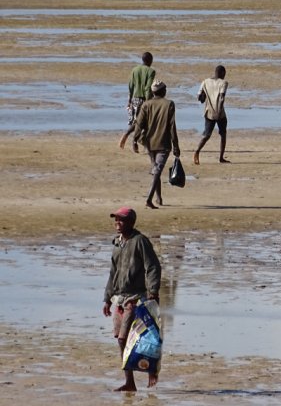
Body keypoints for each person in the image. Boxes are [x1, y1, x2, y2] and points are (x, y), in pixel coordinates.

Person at [102, 206, 162, 391]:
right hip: (118, 299)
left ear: (131, 222)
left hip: (135, 299)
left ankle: (150, 370)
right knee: (124, 339)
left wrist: (153, 291)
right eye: (116, 220)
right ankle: (130, 382)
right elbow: (113, 273)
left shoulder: (140, 241)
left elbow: (153, 267)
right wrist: (107, 298)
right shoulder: (117, 243)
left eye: (121, 220)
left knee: (132, 339)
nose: (117, 223)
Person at [133, 80, 180, 209]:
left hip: (149, 143)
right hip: (163, 143)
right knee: (157, 171)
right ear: (163, 91)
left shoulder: (146, 105)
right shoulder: (169, 104)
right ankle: (149, 199)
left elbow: (139, 124)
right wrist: (176, 145)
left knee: (156, 170)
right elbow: (172, 127)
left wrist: (134, 140)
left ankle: (158, 198)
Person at [118, 52, 155, 152]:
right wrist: (148, 102)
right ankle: (129, 136)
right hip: (144, 99)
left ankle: (136, 142)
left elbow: (130, 85)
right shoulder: (151, 71)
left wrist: (129, 100)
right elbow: (148, 87)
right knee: (141, 122)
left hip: (135, 98)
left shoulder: (135, 70)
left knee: (135, 121)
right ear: (150, 61)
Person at [193, 65, 229, 165]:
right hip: (220, 113)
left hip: (209, 112)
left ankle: (197, 152)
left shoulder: (205, 81)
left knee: (206, 135)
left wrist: (203, 98)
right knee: (223, 134)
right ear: (222, 73)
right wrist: (219, 109)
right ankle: (221, 157)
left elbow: (199, 97)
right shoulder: (223, 83)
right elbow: (222, 97)